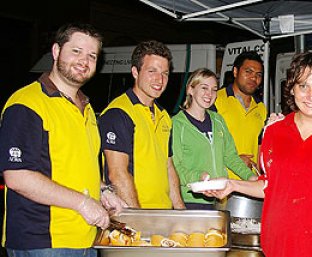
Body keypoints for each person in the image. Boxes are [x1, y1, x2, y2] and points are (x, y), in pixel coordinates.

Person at [206, 51, 312, 257]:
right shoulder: (274, 132)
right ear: (292, 89)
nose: (311, 95)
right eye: (303, 86)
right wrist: (232, 185)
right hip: (279, 249)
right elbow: (272, 185)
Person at [0, 22, 127, 257]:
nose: (84, 61)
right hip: (43, 241)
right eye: (76, 51)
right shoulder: (27, 104)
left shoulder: (87, 109)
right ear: (57, 51)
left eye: (92, 55)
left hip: (87, 237)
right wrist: (82, 203)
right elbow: (17, 176)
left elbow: (76, 167)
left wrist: (105, 192)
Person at [98, 40, 185, 209]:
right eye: (152, 71)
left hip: (163, 214)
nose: (159, 79)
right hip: (134, 215)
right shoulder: (119, 112)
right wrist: (139, 219)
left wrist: (181, 210)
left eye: (165, 73)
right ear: (135, 72)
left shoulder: (164, 116)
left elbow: (168, 167)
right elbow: (117, 174)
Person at [171, 68, 257, 210]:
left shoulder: (218, 120)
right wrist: (199, 177)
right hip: (190, 200)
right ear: (190, 90)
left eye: (214, 89)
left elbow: (230, 157)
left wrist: (251, 178)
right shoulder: (177, 124)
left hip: (219, 199)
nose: (209, 94)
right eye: (204, 88)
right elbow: (175, 167)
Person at [214, 51, 267, 178]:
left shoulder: (261, 108)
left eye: (258, 74)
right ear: (235, 72)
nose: (253, 78)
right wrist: (235, 160)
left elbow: (261, 146)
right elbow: (203, 142)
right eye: (248, 72)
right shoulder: (216, 100)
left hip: (250, 182)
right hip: (223, 181)